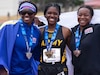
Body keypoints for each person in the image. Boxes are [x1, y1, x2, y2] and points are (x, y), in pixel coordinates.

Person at [0, 1, 41, 75]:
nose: (26, 15)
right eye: (23, 13)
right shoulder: (9, 27)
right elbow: (1, 49)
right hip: (11, 71)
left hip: (29, 72)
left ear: (34, 14)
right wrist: (2, 68)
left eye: (30, 13)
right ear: (19, 13)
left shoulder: (36, 31)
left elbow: (37, 54)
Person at [38, 3, 71, 75]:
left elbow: (72, 49)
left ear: (59, 15)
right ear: (45, 15)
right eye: (49, 13)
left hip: (60, 68)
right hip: (43, 68)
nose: (52, 15)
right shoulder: (40, 31)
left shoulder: (65, 31)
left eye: (55, 13)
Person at [70, 5, 100, 75]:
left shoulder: (96, 29)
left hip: (93, 71)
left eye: (86, 15)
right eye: (80, 15)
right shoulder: (73, 30)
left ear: (91, 17)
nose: (82, 17)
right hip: (78, 71)